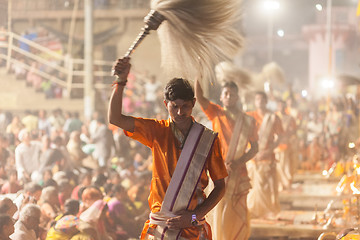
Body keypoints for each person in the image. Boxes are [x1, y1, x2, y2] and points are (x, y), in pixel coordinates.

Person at [109, 57, 228, 239]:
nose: (180, 112)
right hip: (160, 228)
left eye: (185, 106)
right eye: (175, 107)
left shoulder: (208, 140)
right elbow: (115, 118)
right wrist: (120, 81)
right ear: (166, 105)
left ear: (193, 103)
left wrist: (194, 216)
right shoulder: (156, 130)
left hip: (192, 228)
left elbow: (220, 186)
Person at [195, 79, 258, 240]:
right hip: (218, 171)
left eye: (232, 94)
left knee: (236, 213)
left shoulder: (248, 121)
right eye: (226, 93)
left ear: (237, 97)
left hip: (239, 173)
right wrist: (200, 73)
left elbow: (255, 147)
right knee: (217, 211)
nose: (229, 96)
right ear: (221, 97)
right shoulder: (216, 113)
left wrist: (238, 162)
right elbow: (200, 97)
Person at [246, 91, 284, 219]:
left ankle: (266, 212)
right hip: (252, 158)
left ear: (266, 101)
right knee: (251, 187)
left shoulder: (273, 118)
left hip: (267, 158)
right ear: (255, 102)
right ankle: (252, 211)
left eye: (262, 99)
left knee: (266, 188)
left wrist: (269, 150)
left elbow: (280, 136)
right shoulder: (249, 116)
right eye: (257, 99)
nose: (260, 102)